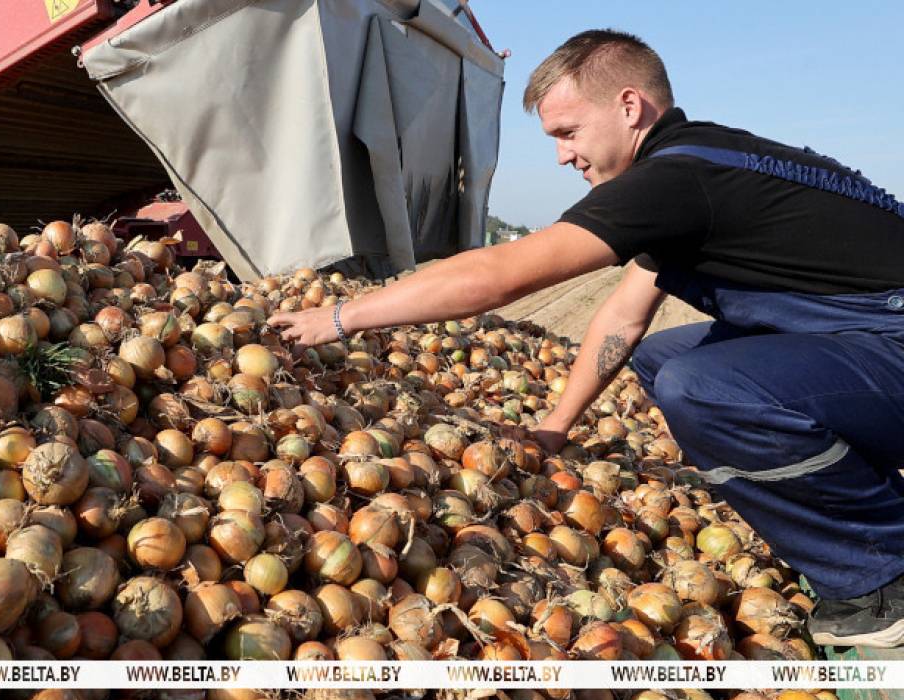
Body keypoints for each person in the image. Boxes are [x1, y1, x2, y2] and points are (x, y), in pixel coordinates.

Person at [268, 28, 904, 648]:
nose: (563, 157)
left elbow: (496, 277)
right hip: (866, 337)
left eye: (568, 133)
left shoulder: (674, 180)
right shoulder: (701, 164)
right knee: (666, 356)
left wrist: (341, 318)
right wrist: (555, 426)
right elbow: (625, 319)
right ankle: (864, 495)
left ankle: (882, 582)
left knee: (704, 387)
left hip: (889, 336)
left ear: (630, 106)